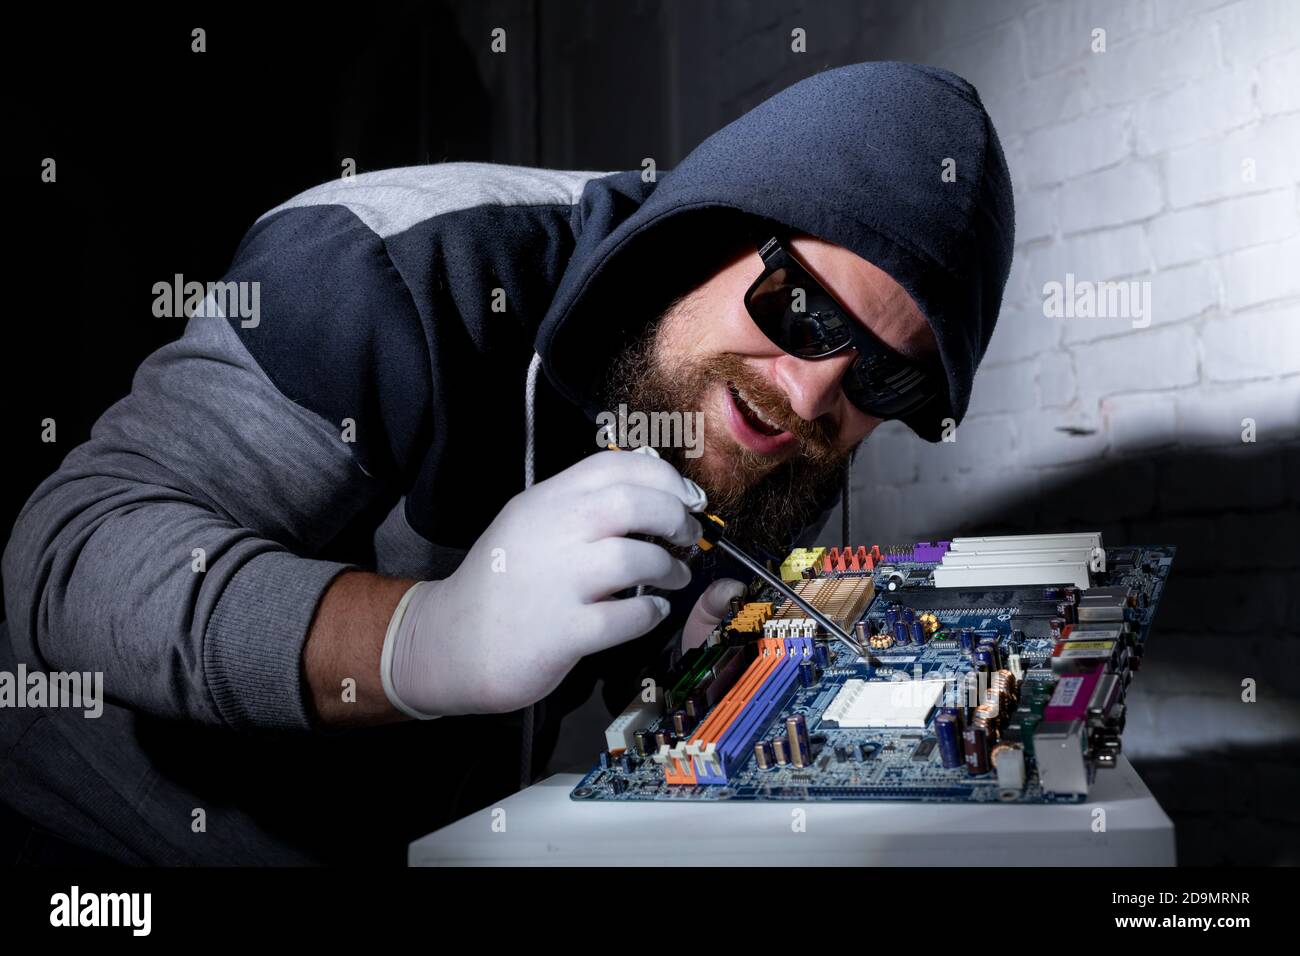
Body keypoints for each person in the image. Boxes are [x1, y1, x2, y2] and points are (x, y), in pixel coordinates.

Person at [0, 61, 1014, 864]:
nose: (807, 394)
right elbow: (69, 562)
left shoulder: (787, 422)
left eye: (889, 381)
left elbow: (637, 652)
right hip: (100, 843)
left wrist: (699, 656)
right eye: (803, 309)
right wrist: (426, 634)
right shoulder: (389, 265)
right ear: (709, 228)